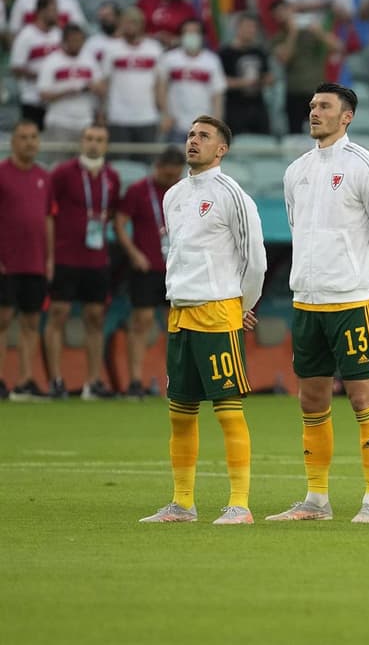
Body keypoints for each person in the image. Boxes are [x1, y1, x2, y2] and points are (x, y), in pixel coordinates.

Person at [268, 83, 369, 524]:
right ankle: (316, 500)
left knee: (363, 399)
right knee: (311, 400)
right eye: (311, 106)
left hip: (349, 300)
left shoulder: (366, 167)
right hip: (306, 300)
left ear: (347, 117)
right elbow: (295, 227)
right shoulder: (296, 171)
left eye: (324, 106)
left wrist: (366, 276)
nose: (314, 113)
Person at [138, 115, 266, 525]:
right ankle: (182, 503)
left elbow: (255, 259)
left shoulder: (233, 195)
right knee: (180, 412)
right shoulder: (173, 195)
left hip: (218, 310)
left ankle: (240, 505)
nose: (194, 141)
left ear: (221, 149)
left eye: (204, 136)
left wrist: (243, 305)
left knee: (228, 410)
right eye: (191, 134)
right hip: (180, 313)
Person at [46, 125, 121, 400]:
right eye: (89, 138)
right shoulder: (62, 173)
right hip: (66, 256)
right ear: (82, 141)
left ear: (106, 144)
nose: (93, 144)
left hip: (96, 258)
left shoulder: (111, 177)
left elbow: (111, 211)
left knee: (95, 318)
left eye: (99, 140)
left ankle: (93, 382)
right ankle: (55, 380)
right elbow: (48, 213)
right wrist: (50, 255)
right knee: (58, 314)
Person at [115, 146, 185, 398]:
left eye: (175, 175)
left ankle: (175, 381)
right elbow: (120, 223)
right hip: (147, 267)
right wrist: (134, 253)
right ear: (158, 167)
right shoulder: (138, 191)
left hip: (176, 268)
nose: (171, 180)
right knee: (141, 322)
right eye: (167, 175)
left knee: (176, 325)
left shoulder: (182, 192)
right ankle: (135, 380)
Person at [0, 122, 52, 401]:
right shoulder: (1, 174)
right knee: (3, 320)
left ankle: (24, 380)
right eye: (23, 137)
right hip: (7, 262)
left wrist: (50, 257)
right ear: (13, 142)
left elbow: (47, 220)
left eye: (34, 137)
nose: (29, 142)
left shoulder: (44, 177)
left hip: (34, 263)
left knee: (31, 322)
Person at [271, 0, 341, 134]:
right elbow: (285, 58)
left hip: (317, 92)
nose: (283, 15)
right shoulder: (278, 38)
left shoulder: (313, 33)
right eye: (278, 14)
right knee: (295, 135)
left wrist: (319, 32)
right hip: (294, 91)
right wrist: (293, 33)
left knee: (321, 133)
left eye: (284, 11)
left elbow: (338, 47)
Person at [100, 7, 164, 150]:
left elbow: (160, 83)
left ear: (141, 24)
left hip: (147, 117)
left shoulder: (154, 49)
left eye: (134, 22)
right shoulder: (111, 49)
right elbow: (105, 82)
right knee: (121, 163)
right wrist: (102, 112)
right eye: (127, 22)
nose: (130, 26)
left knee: (147, 163)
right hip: (118, 117)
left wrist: (164, 113)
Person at [37, 25, 104, 155]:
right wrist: (68, 91)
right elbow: (43, 94)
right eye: (74, 40)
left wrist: (92, 87)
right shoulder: (52, 61)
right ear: (64, 41)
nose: (77, 44)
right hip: (59, 121)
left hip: (85, 121)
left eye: (80, 40)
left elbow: (102, 88)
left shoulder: (89, 60)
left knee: (84, 164)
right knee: (57, 164)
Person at [158, 19, 227, 143]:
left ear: (202, 36)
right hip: (175, 124)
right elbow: (161, 88)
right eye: (187, 32)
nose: (191, 36)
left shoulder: (212, 60)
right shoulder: (169, 58)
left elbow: (217, 94)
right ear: (181, 36)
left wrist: (216, 122)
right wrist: (165, 115)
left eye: (195, 32)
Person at [9, 0, 64, 127]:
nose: (57, 14)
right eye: (53, 10)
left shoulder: (59, 34)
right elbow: (16, 68)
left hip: (55, 100)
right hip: (32, 99)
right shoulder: (26, 35)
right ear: (41, 11)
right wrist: (43, 76)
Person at [218, 14, 273, 137]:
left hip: (257, 106)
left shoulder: (259, 52)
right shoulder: (225, 53)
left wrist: (267, 80)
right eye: (248, 27)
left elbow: (267, 75)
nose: (251, 31)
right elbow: (221, 81)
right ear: (238, 28)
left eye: (254, 28)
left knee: (263, 141)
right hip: (234, 107)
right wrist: (245, 82)